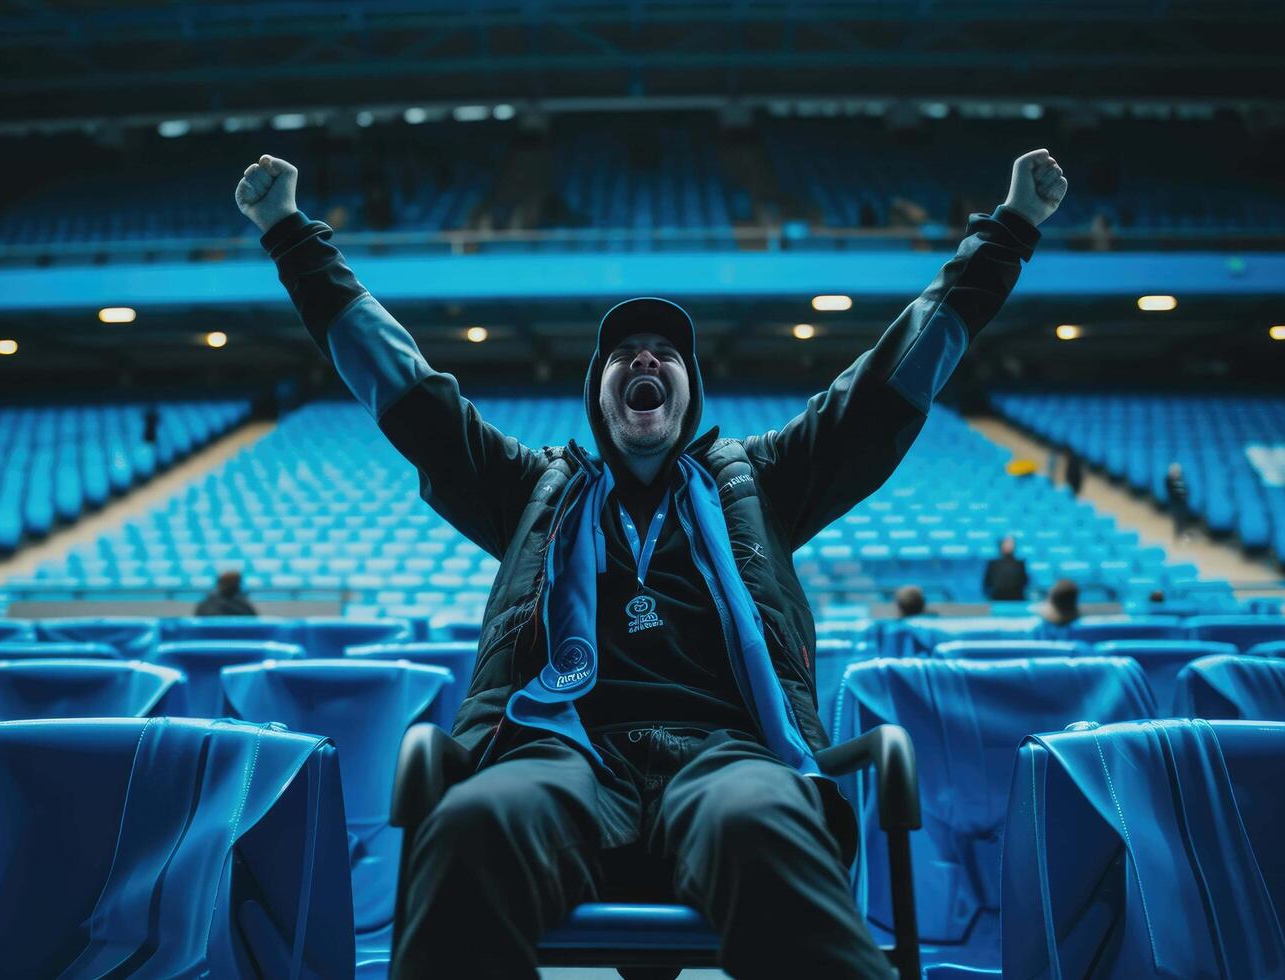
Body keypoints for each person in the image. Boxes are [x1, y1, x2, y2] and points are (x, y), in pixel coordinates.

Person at [236, 145, 1065, 979]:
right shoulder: (535, 493)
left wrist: (1008, 232)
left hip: (725, 754)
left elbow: (888, 382)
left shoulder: (760, 484)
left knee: (762, 823)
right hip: (559, 756)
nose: (644, 360)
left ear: (688, 393)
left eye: (664, 354)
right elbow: (407, 391)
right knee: (471, 824)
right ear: (598, 395)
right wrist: (289, 236)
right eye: (623, 353)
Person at [983, 534, 1030, 601]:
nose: (1008, 545)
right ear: (1001, 545)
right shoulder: (993, 564)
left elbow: (1025, 582)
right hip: (997, 598)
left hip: (1017, 599)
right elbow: (987, 583)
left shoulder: (1020, 564)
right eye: (1006, 543)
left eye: (1011, 543)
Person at [1166, 461, 1193, 540]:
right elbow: (1172, 491)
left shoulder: (1182, 479)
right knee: (1177, 521)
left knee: (1183, 520)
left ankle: (1183, 536)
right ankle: (1177, 536)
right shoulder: (1168, 480)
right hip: (1175, 503)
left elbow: (1186, 489)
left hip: (1183, 503)